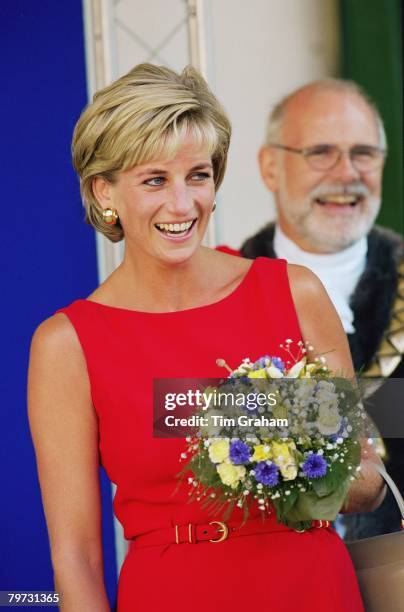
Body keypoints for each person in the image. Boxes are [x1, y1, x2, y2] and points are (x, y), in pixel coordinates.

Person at [28, 64, 384, 612]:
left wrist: (279, 449)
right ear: (104, 192)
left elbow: (368, 478)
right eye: (155, 180)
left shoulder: (293, 292)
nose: (182, 204)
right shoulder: (66, 344)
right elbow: (75, 555)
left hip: (313, 588)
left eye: (198, 175)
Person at [232, 79, 403, 540]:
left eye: (363, 153)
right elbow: (181, 425)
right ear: (270, 167)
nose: (346, 172)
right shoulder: (220, 289)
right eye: (321, 152)